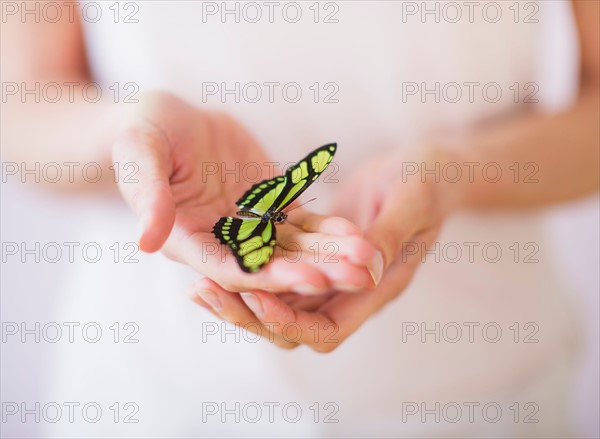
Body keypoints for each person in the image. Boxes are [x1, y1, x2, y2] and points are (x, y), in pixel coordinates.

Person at [2, 1, 598, 436]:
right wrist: (133, 140)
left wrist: (459, 171)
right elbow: (21, 105)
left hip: (481, 394)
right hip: (152, 390)